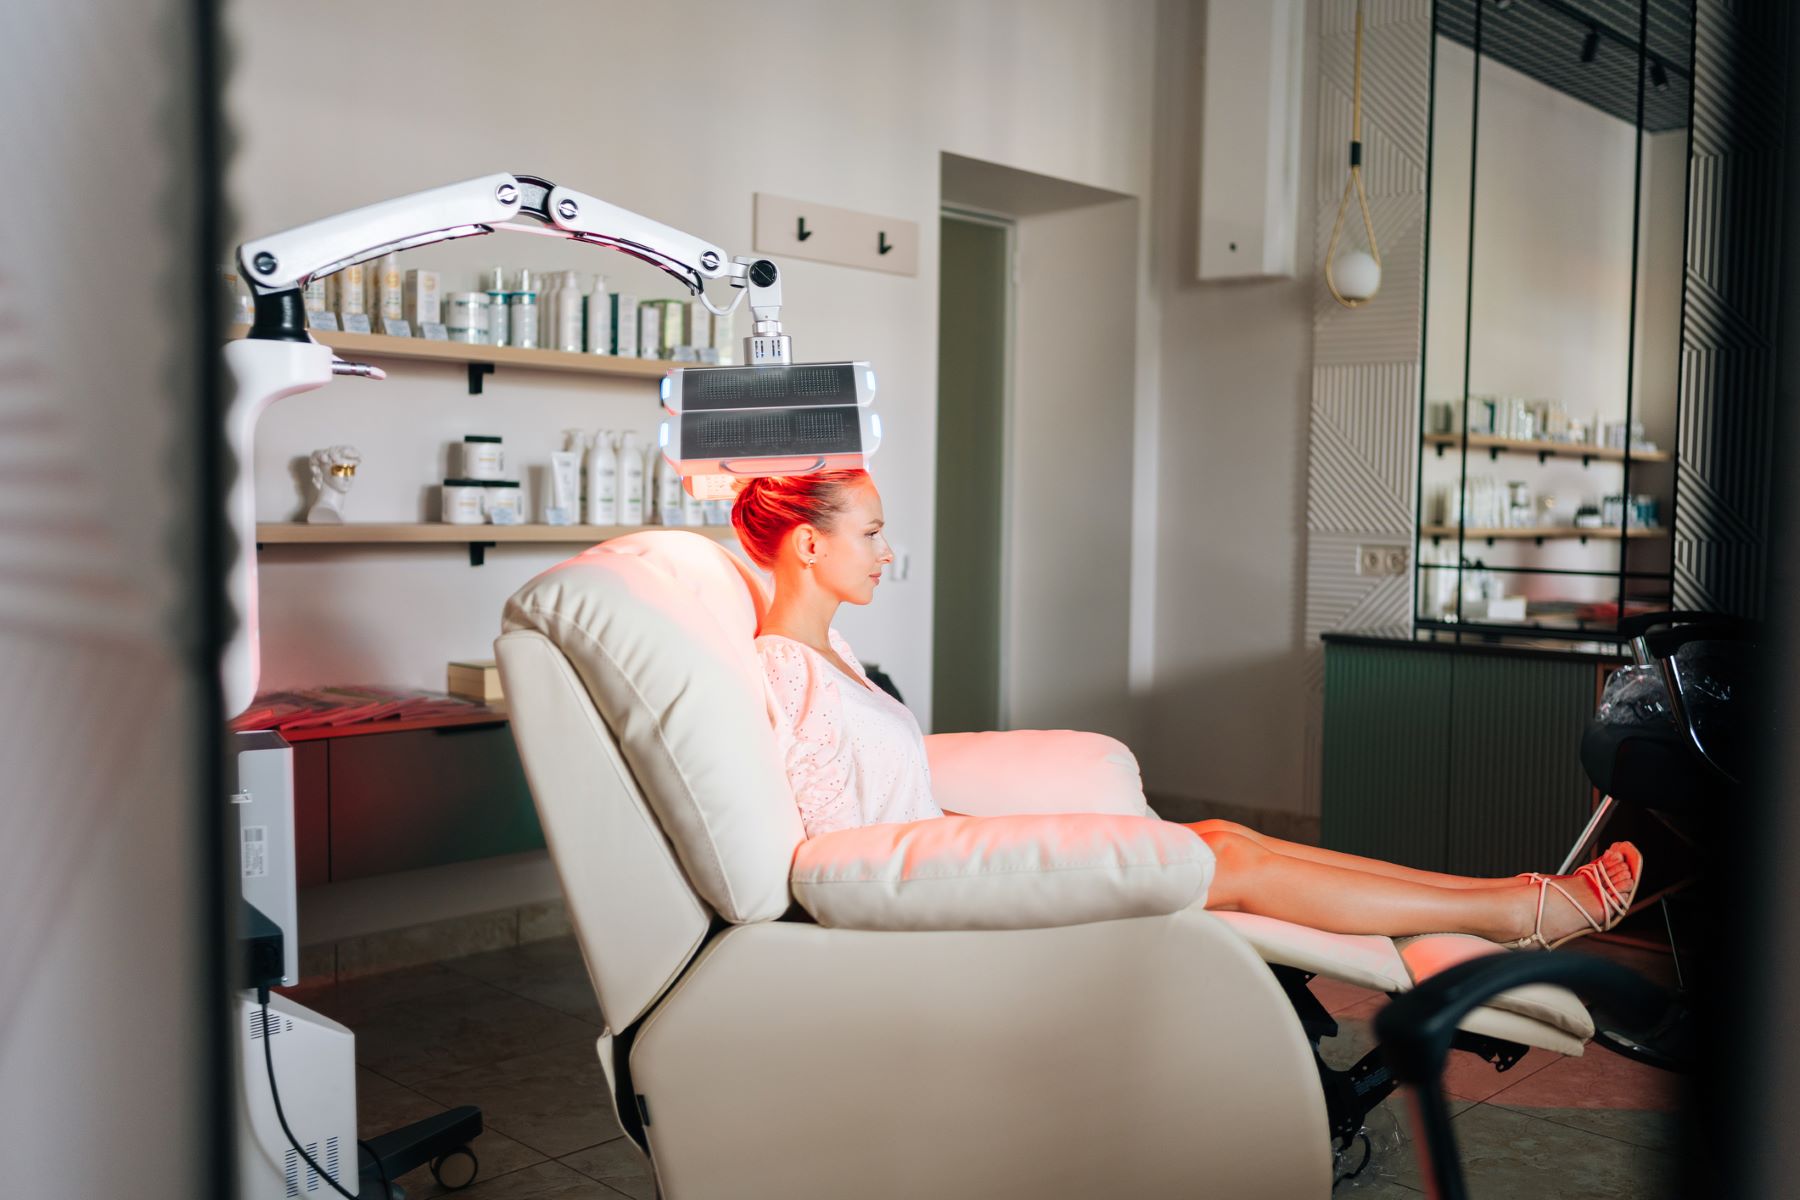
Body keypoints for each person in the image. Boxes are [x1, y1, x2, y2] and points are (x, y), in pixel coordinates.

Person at [731, 468, 1641, 951]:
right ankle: (1527, 912)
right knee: (1228, 855)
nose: (888, 553)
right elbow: (835, 855)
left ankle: (1522, 900)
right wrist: (992, 850)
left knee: (1220, 838)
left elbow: (895, 805)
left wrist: (984, 824)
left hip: (954, 857)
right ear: (809, 544)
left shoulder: (832, 652)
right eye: (872, 533)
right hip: (948, 896)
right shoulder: (789, 669)